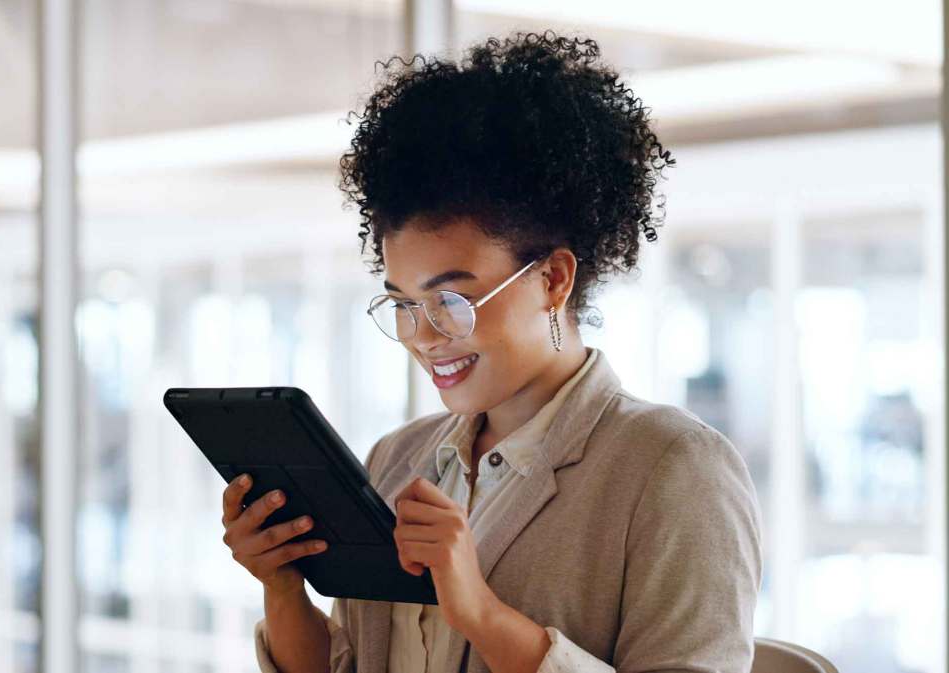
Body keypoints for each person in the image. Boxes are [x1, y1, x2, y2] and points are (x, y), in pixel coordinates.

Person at [219, 29, 762, 673]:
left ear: (552, 280)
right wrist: (282, 585)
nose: (423, 335)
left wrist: (481, 613)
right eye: (403, 304)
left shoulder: (673, 469)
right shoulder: (398, 461)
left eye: (451, 301)